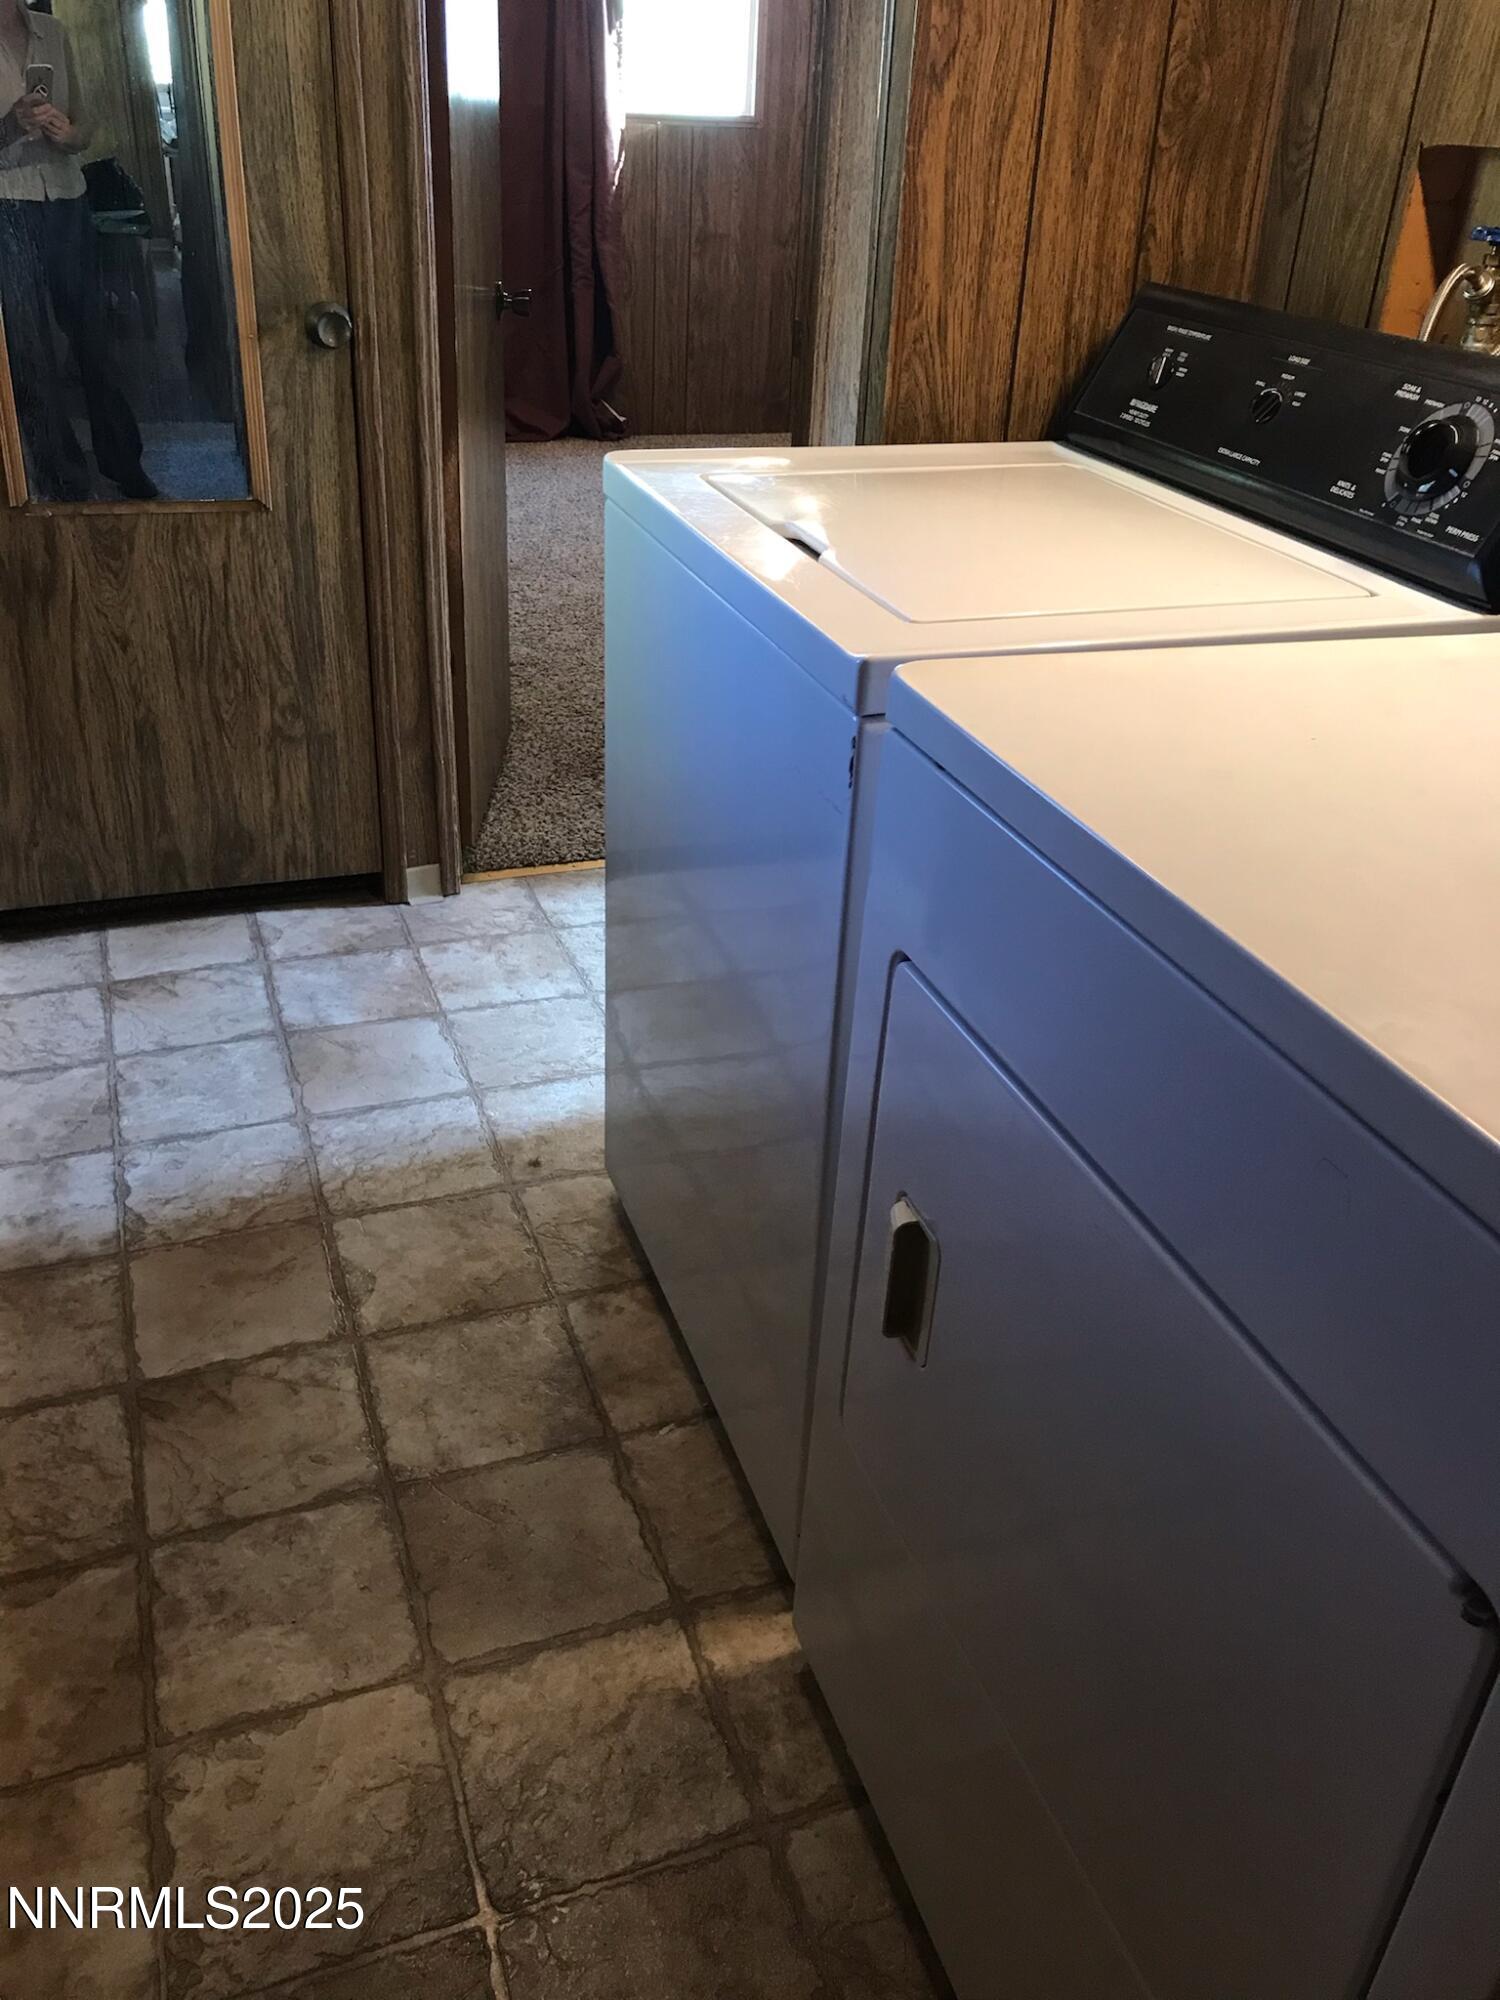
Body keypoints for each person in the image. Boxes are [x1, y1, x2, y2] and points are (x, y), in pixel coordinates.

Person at [0, 0, 157, 499]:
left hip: (68, 196)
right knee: (29, 350)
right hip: (7, 204)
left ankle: (123, 462)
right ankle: (61, 477)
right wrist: (10, 126)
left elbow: (87, 126)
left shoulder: (53, 31)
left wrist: (70, 135)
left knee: (93, 336)